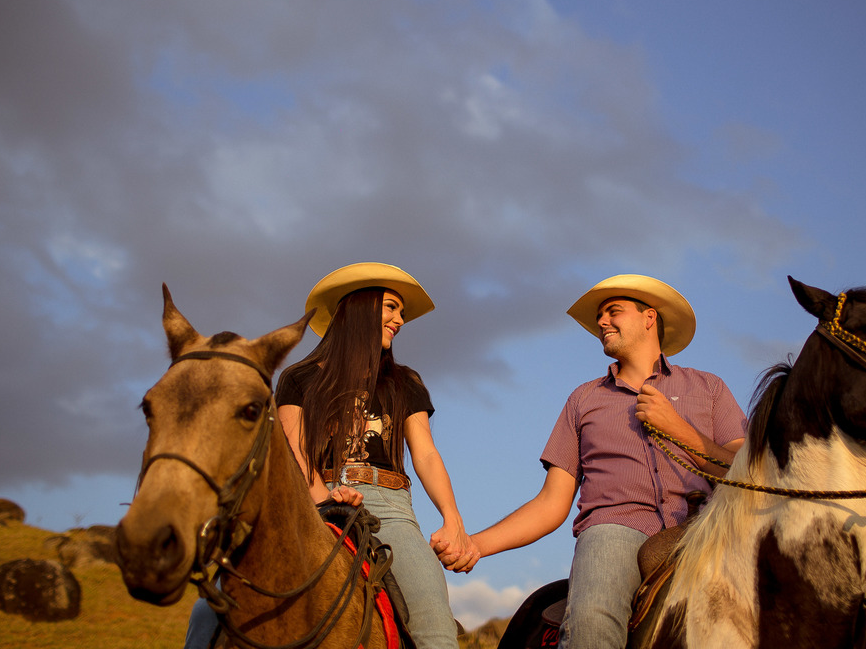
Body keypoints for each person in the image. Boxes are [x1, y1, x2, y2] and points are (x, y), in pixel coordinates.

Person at [434, 274, 747, 649]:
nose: (601, 322)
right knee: (592, 623)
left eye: (613, 311)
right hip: (615, 530)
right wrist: (475, 545)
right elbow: (551, 504)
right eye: (599, 316)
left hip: (706, 529)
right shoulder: (583, 399)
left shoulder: (709, 387)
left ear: (649, 318)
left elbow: (748, 472)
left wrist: (679, 429)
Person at [185, 262, 472, 649]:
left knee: (434, 625)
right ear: (359, 307)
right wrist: (325, 498)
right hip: (308, 504)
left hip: (389, 509)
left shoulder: (406, 382)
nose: (399, 320)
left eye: (401, 312)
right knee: (212, 608)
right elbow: (293, 451)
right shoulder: (298, 377)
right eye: (391, 307)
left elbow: (427, 455)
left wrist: (452, 519)